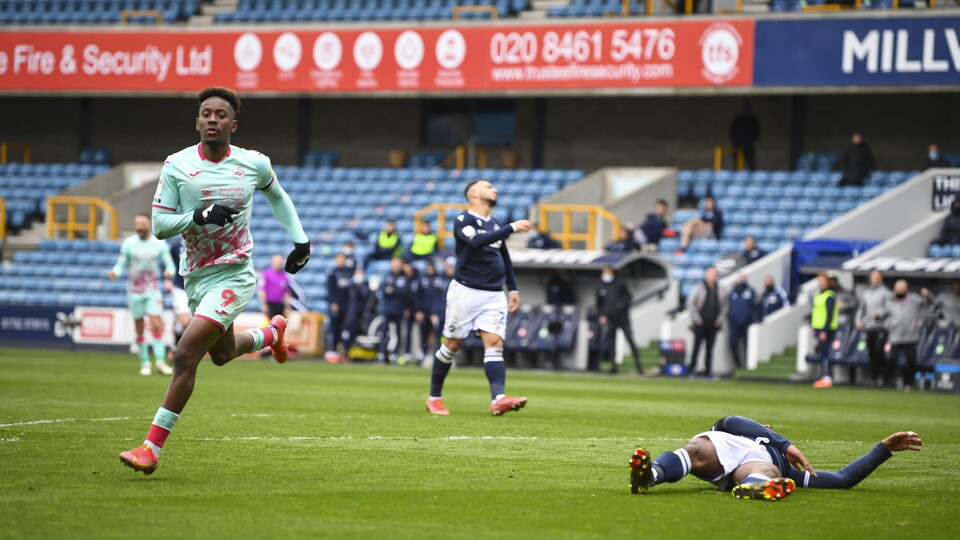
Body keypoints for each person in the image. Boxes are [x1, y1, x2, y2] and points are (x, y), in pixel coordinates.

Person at [119, 87, 311, 475]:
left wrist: (301, 240)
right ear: (197, 122)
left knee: (185, 353)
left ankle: (151, 448)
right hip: (195, 276)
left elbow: (278, 196)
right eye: (206, 113)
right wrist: (198, 215)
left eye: (220, 115)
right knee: (221, 355)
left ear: (232, 125)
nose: (212, 119)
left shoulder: (253, 164)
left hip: (234, 274)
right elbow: (159, 226)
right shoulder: (177, 165)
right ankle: (270, 335)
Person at [425, 179, 534, 416]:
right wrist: (511, 227)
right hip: (466, 291)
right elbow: (475, 241)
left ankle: (498, 398)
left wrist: (512, 288)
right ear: (474, 193)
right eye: (489, 187)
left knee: (494, 343)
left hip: (494, 294)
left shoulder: (495, 223)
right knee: (452, 345)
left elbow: (503, 256)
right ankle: (434, 397)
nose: (495, 189)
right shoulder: (463, 219)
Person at [628, 415, 923, 501]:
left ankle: (755, 487)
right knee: (695, 448)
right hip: (723, 449)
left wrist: (883, 449)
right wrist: (782, 442)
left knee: (767, 470)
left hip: (754, 467)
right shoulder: (735, 430)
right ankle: (649, 476)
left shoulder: (788, 469)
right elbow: (731, 420)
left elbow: (842, 479)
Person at [108, 213, 176, 376]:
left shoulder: (159, 244)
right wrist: (115, 272)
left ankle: (160, 362)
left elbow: (170, 264)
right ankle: (145, 363)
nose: (139, 226)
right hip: (134, 291)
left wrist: (169, 271)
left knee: (156, 324)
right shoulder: (129, 244)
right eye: (137, 223)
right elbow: (121, 264)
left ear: (149, 225)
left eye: (142, 223)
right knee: (139, 327)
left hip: (152, 290)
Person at [596, 266, 643, 375]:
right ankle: (613, 366)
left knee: (630, 340)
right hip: (610, 319)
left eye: (608, 272)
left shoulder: (620, 283)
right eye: (604, 272)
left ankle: (639, 366)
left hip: (622, 318)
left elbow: (628, 297)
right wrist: (602, 315)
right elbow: (599, 304)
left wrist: (621, 306)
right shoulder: (600, 286)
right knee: (611, 343)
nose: (606, 274)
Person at [885, 280, 930, 390]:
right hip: (895, 336)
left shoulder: (914, 299)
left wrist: (928, 295)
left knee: (911, 360)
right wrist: (887, 324)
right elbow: (885, 316)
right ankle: (888, 381)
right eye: (898, 289)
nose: (900, 291)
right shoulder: (889, 301)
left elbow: (928, 304)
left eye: (902, 289)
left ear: (906, 289)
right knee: (892, 359)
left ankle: (909, 383)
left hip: (911, 335)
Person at [688, 267, 726, 378]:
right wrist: (697, 319)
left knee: (710, 349)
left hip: (713, 323)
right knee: (696, 348)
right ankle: (692, 370)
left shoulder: (720, 289)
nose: (713, 277)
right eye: (711, 275)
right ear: (706, 275)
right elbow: (690, 303)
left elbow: (725, 305)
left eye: (714, 275)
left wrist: (719, 319)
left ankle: (708, 371)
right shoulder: (700, 287)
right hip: (700, 323)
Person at [856, 270, 892, 386]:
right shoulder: (866, 293)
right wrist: (858, 320)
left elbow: (891, 308)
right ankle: (874, 376)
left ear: (881, 278)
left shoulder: (886, 293)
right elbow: (861, 308)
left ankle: (882, 376)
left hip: (881, 326)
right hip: (869, 326)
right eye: (874, 277)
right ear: (870, 279)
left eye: (877, 277)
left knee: (879, 350)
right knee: (871, 352)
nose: (875, 279)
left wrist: (880, 314)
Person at [379, 257, 411, 364]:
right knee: (384, 331)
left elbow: (405, 291)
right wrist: (396, 290)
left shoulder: (404, 277)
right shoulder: (388, 276)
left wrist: (393, 290)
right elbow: (384, 291)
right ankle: (382, 353)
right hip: (388, 309)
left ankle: (396, 353)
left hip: (399, 309)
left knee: (399, 332)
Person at [810, 273, 839, 388]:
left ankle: (827, 377)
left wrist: (824, 330)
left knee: (826, 353)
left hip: (827, 329)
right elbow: (816, 313)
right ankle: (824, 376)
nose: (820, 284)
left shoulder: (829, 296)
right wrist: (814, 327)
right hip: (819, 328)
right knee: (822, 353)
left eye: (822, 281)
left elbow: (829, 315)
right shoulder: (820, 295)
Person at [326, 253, 353, 359]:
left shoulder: (348, 272)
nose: (341, 262)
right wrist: (333, 302)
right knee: (334, 327)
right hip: (336, 304)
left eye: (343, 260)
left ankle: (340, 349)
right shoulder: (332, 273)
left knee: (343, 327)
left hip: (345, 305)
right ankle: (331, 349)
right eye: (340, 259)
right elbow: (330, 289)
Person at [727, 274, 756, 370]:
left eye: (743, 278)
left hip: (747, 323)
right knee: (732, 344)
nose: (741, 281)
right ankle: (738, 365)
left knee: (748, 345)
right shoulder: (732, 293)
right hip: (734, 323)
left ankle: (748, 366)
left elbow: (755, 306)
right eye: (740, 278)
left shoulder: (751, 292)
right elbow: (729, 307)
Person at [341, 269, 372, 358]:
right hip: (349, 315)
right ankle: (345, 349)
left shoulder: (366, 287)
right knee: (347, 332)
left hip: (361, 315)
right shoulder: (350, 286)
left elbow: (369, 301)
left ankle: (352, 351)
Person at [259, 255, 292, 322]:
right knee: (270, 323)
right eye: (277, 263)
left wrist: (287, 307)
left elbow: (286, 293)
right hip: (270, 304)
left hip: (280, 305)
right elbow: (262, 290)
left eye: (280, 263)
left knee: (280, 324)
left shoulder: (285, 276)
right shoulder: (266, 274)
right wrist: (264, 304)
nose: (278, 264)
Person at [729, 101, 760, 171]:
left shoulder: (752, 119)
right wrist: (735, 141)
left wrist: (750, 140)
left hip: (748, 146)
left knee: (751, 165)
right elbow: (732, 132)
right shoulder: (737, 119)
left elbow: (757, 132)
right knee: (737, 166)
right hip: (738, 145)